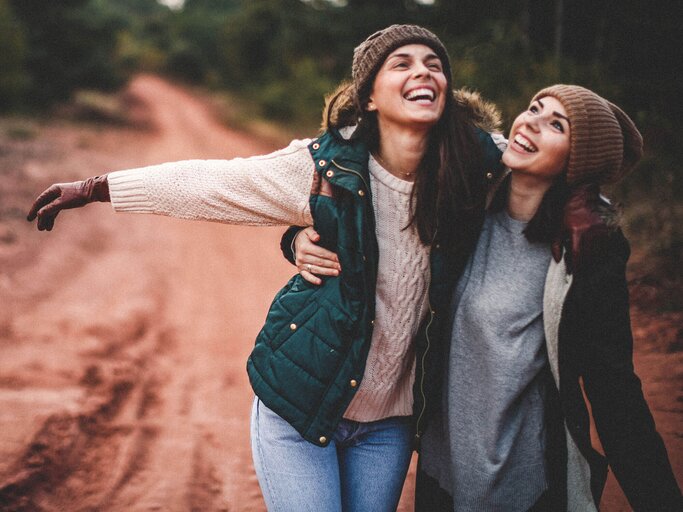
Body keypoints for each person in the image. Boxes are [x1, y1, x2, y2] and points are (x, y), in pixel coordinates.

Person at [27, 25, 507, 511]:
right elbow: (216, 183)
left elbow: (557, 164)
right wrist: (94, 187)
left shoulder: (480, 170)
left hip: (389, 423)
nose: (422, 71)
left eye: (434, 64)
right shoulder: (325, 168)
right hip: (299, 403)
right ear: (368, 99)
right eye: (401, 64)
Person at [289, 85, 683, 511]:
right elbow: (374, 224)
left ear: (578, 161)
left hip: (524, 485)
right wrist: (297, 241)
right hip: (442, 475)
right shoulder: (463, 203)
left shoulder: (582, 250)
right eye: (534, 107)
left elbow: (614, 389)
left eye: (556, 125)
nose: (531, 121)